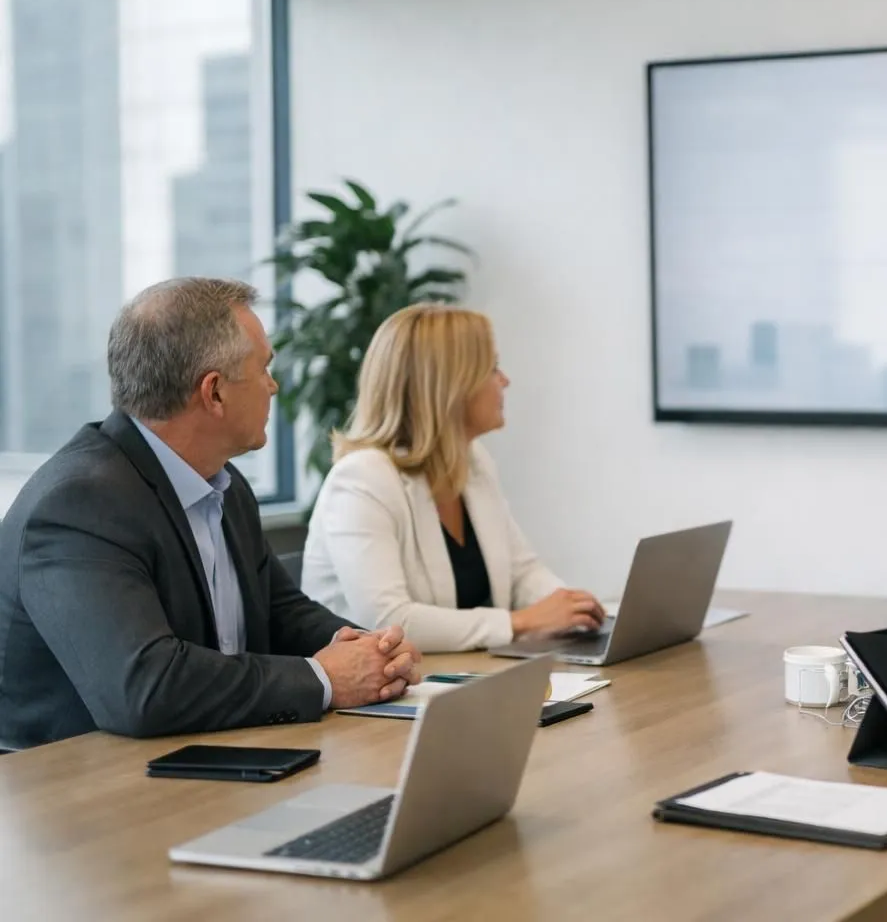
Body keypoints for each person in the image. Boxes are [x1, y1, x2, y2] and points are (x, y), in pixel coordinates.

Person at [0, 278, 422, 750]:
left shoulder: (224, 483)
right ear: (214, 392)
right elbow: (144, 687)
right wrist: (323, 677)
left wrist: (370, 652)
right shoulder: (78, 505)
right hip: (75, 793)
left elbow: (280, 612)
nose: (274, 385)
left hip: (194, 758)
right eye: (264, 369)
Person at [301, 304, 605, 654]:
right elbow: (389, 620)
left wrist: (571, 609)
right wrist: (521, 622)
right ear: (450, 386)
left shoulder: (473, 461)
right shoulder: (361, 479)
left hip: (458, 679)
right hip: (377, 699)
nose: (504, 381)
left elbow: (522, 571)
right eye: (492, 368)